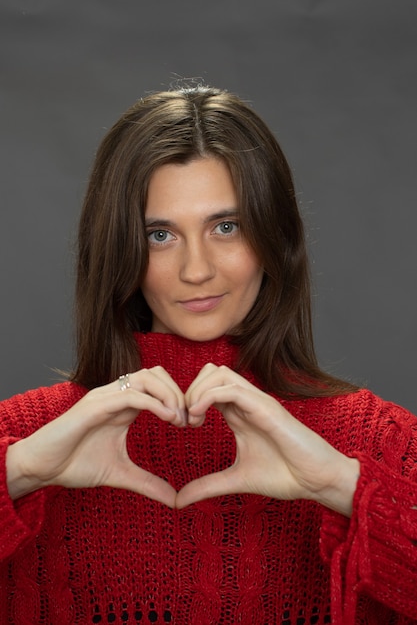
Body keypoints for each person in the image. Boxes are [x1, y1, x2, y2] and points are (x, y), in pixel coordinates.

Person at [1, 86, 417, 625]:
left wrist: (345, 487)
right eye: (159, 235)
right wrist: (19, 472)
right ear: (118, 247)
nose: (197, 270)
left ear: (275, 238)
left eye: (227, 226)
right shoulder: (26, 436)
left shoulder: (378, 443)